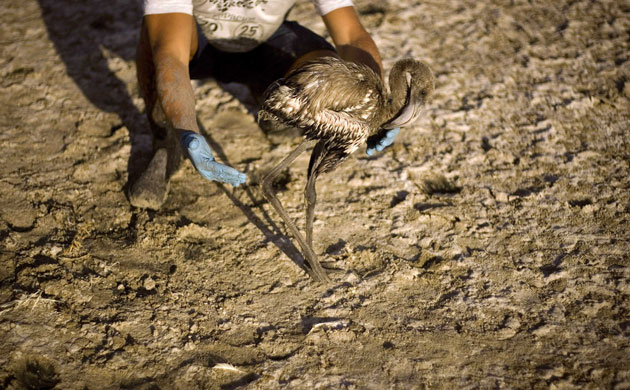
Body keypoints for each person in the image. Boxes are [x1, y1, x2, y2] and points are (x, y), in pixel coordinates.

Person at [129, 0, 400, 209]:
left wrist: (374, 108)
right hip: (197, 42)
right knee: (155, 38)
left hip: (268, 44)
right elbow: (171, 57)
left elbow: (351, 36)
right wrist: (185, 128)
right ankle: (165, 143)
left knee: (330, 71)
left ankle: (274, 106)